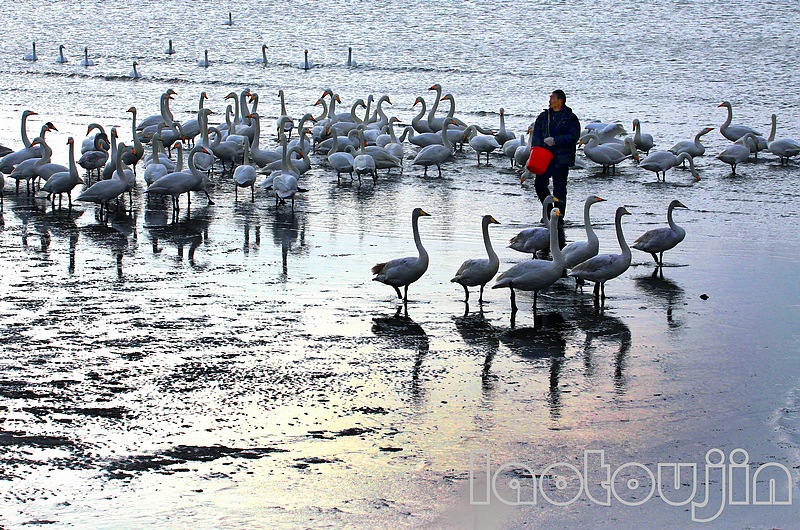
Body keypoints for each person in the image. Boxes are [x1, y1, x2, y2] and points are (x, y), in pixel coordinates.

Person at [531, 89, 581, 247]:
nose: (550, 100)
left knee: (560, 188)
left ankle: (558, 216)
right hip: (544, 157)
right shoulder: (543, 117)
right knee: (539, 184)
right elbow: (536, 135)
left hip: (561, 157)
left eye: (552, 97)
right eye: (550, 97)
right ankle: (548, 211)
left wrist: (556, 140)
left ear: (561, 100)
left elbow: (573, 136)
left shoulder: (570, 118)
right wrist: (536, 149)